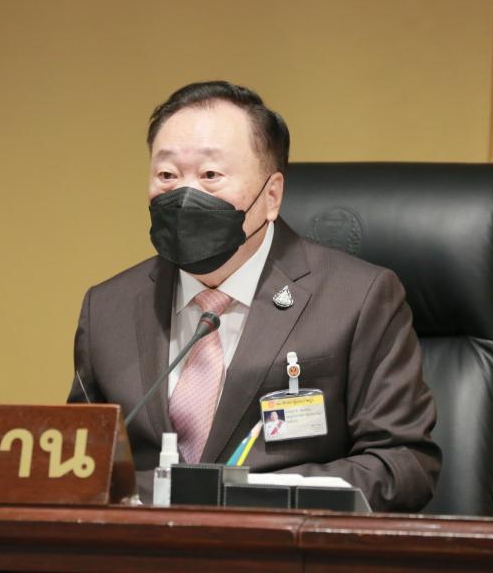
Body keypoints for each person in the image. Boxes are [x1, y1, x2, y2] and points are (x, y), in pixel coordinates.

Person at [67, 81, 440, 511]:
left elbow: (403, 465)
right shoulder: (108, 308)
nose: (185, 195)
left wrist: (247, 498)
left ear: (272, 195)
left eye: (210, 175)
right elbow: (77, 464)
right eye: (167, 175)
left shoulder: (358, 298)